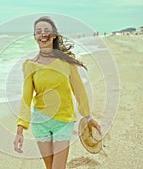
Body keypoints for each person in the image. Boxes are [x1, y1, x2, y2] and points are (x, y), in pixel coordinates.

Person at [13, 16, 101, 169]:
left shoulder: (67, 61)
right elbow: (26, 98)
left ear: (54, 35)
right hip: (40, 122)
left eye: (47, 31)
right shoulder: (30, 65)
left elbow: (79, 90)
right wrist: (20, 130)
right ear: (34, 37)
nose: (43, 34)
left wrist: (88, 116)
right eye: (38, 32)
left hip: (63, 121)